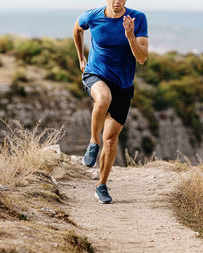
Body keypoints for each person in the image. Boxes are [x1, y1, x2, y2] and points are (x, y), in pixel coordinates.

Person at [73, 0, 148, 204]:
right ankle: (92, 143)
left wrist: (131, 36)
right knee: (103, 98)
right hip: (95, 74)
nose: (117, 1)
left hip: (123, 84)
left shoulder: (137, 18)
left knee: (111, 140)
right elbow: (77, 29)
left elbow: (142, 58)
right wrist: (81, 58)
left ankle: (101, 185)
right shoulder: (93, 16)